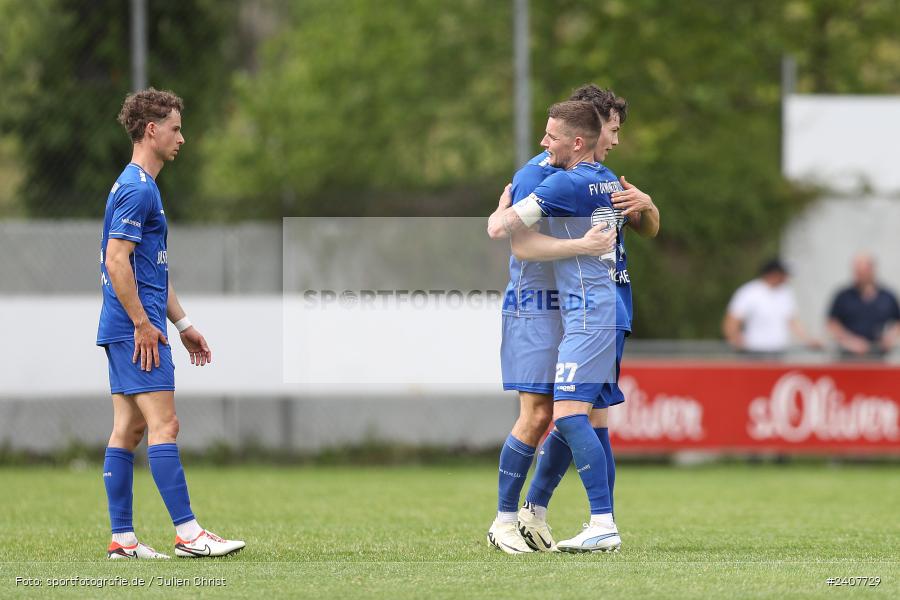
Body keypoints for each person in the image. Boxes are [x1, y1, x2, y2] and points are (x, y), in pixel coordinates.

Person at [485, 86, 657, 554]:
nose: (616, 140)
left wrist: (647, 204)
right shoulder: (542, 176)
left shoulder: (593, 178)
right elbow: (518, 244)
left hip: (588, 307)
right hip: (541, 305)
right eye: (613, 130)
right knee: (550, 413)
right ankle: (512, 519)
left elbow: (501, 227)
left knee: (576, 414)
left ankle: (554, 515)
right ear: (592, 130)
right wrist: (581, 245)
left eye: (550, 135)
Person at [98, 88, 244, 559]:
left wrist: (183, 325)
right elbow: (116, 260)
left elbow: (150, 271)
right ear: (152, 130)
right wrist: (144, 324)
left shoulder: (139, 185)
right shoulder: (139, 188)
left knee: (130, 430)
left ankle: (123, 540)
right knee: (166, 424)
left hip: (127, 326)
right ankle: (189, 534)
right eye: (176, 129)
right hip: (135, 330)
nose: (183, 137)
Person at [723, 258, 821, 356]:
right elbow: (732, 320)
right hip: (754, 351)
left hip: (779, 351)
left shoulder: (786, 292)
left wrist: (808, 340)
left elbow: (792, 321)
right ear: (773, 274)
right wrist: (736, 339)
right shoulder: (750, 292)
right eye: (784, 274)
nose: (786, 278)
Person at [827, 253, 900, 358]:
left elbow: (897, 322)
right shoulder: (843, 296)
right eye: (857, 271)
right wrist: (849, 341)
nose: (859, 275)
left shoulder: (888, 296)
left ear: (872, 270)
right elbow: (832, 324)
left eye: (862, 271)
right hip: (848, 357)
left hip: (879, 356)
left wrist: (891, 337)